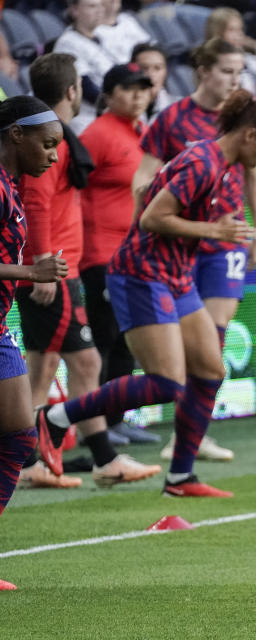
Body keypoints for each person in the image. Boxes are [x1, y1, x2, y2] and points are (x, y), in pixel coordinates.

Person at [35, 90, 256, 498]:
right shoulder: (202, 162)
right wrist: (213, 231)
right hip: (141, 275)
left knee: (209, 370)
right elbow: (152, 217)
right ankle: (55, 417)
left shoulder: (223, 164)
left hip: (175, 276)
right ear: (250, 134)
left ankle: (180, 478)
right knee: (167, 382)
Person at [16, 54, 160, 489]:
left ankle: (31, 461)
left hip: (58, 265)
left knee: (45, 367)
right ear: (73, 90)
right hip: (55, 269)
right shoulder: (49, 139)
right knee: (85, 361)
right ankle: (99, 458)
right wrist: (41, 266)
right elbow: (36, 201)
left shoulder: (55, 137)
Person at [135, 38, 256, 463]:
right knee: (195, 341)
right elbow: (143, 176)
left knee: (215, 330)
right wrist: (152, 204)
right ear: (203, 71)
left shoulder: (244, 116)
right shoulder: (172, 118)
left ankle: (194, 433)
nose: (235, 79)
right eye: (227, 70)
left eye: (239, 71)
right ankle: (186, 431)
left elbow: (254, 176)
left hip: (226, 240)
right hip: (183, 241)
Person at [0, 96, 70, 591]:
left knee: (21, 434)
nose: (53, 156)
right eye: (47, 144)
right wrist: (30, 271)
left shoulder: (11, 184)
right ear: (15, 135)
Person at [79, 63, 160, 445]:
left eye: (143, 89)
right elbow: (69, 187)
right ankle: (93, 424)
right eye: (129, 89)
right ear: (108, 95)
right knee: (105, 338)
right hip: (100, 254)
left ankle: (115, 420)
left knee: (129, 340)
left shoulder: (142, 133)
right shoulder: (97, 134)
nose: (138, 95)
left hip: (134, 257)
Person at [53, 0, 121, 133]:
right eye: (92, 6)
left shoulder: (101, 37)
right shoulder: (67, 43)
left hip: (107, 115)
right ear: (74, 10)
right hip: (84, 121)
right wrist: (119, 103)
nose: (99, 10)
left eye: (101, 5)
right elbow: (86, 87)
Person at [205, 7, 256, 93]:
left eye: (240, 29)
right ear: (217, 32)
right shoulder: (210, 60)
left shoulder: (246, 59)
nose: (238, 35)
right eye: (231, 30)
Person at [131, 43, 174, 124]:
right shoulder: (117, 109)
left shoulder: (182, 110)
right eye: (144, 68)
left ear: (166, 71)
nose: (150, 74)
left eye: (157, 68)